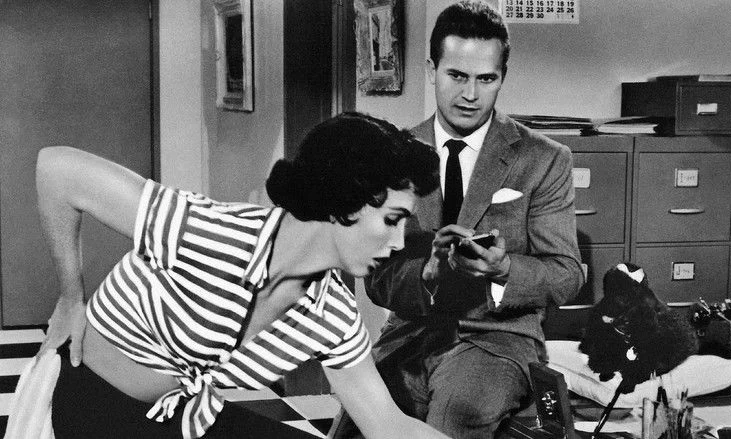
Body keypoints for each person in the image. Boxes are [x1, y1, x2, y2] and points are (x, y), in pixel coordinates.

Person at [32, 112, 451, 438]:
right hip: (92, 408)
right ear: (347, 199)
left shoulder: (333, 316)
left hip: (183, 417)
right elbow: (56, 169)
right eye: (392, 219)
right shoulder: (207, 231)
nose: (399, 242)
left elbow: (388, 425)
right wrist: (71, 297)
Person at [356, 2, 585, 437]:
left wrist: (504, 269)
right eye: (457, 76)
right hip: (411, 334)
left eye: (486, 79)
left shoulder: (544, 158)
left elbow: (566, 274)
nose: (470, 95)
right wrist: (427, 272)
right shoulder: (394, 154)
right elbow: (376, 276)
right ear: (432, 70)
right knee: (357, 423)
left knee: (453, 418)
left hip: (500, 340)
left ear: (502, 77)